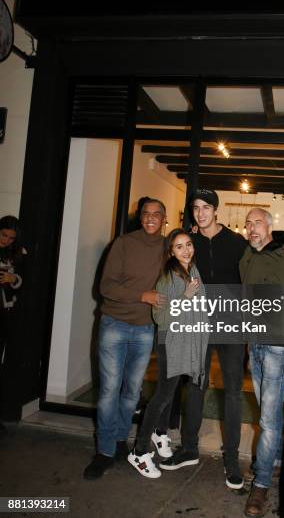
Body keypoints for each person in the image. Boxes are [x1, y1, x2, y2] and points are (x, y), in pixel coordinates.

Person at [160, 189, 248, 490]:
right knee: (195, 385)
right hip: (199, 324)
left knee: (233, 391)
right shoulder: (190, 242)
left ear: (216, 210)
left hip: (232, 325)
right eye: (196, 208)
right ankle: (188, 449)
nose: (200, 213)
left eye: (206, 207)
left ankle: (233, 459)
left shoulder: (237, 243)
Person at [83, 198, 167, 480]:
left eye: (157, 214)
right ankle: (104, 451)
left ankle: (119, 439)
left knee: (132, 391)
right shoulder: (123, 243)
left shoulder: (168, 248)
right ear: (140, 218)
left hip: (144, 329)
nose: (151, 218)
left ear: (165, 219)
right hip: (114, 326)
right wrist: (142, 295)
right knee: (109, 391)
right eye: (147, 214)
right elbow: (105, 287)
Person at [239, 208, 284, 518]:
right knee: (268, 416)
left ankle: (262, 483)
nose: (252, 229)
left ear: (269, 226)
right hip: (256, 344)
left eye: (257, 223)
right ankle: (273, 462)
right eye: (248, 224)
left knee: (267, 419)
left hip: (280, 349)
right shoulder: (247, 257)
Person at [128, 228, 209, 478]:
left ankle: (160, 433)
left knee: (171, 392)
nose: (186, 250)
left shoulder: (192, 269)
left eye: (189, 244)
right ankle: (139, 451)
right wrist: (185, 297)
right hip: (171, 342)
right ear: (171, 251)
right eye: (179, 247)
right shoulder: (167, 277)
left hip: (187, 341)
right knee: (163, 395)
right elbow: (160, 317)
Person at [0, 216, 25, 434]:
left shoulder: (17, 254)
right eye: (4, 235)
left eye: (11, 237)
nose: (6, 240)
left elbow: (23, 281)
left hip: (7, 314)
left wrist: (13, 278)